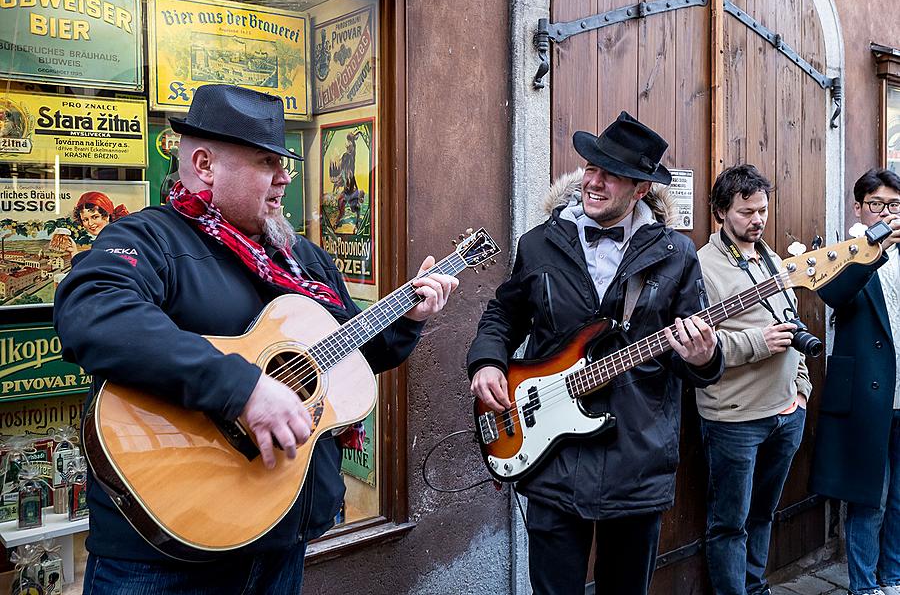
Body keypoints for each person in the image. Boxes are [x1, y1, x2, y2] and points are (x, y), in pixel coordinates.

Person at [53, 84, 458, 594]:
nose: (285, 177)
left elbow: (352, 355)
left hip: (280, 541)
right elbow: (92, 313)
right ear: (204, 165)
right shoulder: (147, 238)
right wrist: (241, 388)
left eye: (283, 162)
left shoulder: (302, 259)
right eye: (268, 161)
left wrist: (409, 318)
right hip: (159, 558)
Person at [467, 111, 724, 595]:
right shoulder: (539, 244)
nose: (595, 181)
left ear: (641, 190)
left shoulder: (676, 255)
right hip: (549, 459)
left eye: (612, 174)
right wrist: (486, 361)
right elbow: (503, 315)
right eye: (590, 167)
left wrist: (702, 357)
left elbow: (697, 363)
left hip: (636, 461)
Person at [695, 164, 812, 595]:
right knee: (730, 524)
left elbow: (791, 323)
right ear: (722, 212)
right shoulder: (701, 267)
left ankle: (756, 588)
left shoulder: (774, 259)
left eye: (763, 209)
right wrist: (759, 343)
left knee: (762, 515)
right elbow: (699, 348)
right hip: (734, 421)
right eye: (747, 212)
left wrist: (801, 391)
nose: (758, 219)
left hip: (786, 413)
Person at [810, 169, 900, 595]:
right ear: (859, 207)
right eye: (878, 205)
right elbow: (835, 295)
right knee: (870, 497)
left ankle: (892, 576)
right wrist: (875, 249)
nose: (887, 213)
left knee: (899, 497)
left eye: (895, 206)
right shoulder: (842, 251)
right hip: (868, 393)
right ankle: (864, 585)